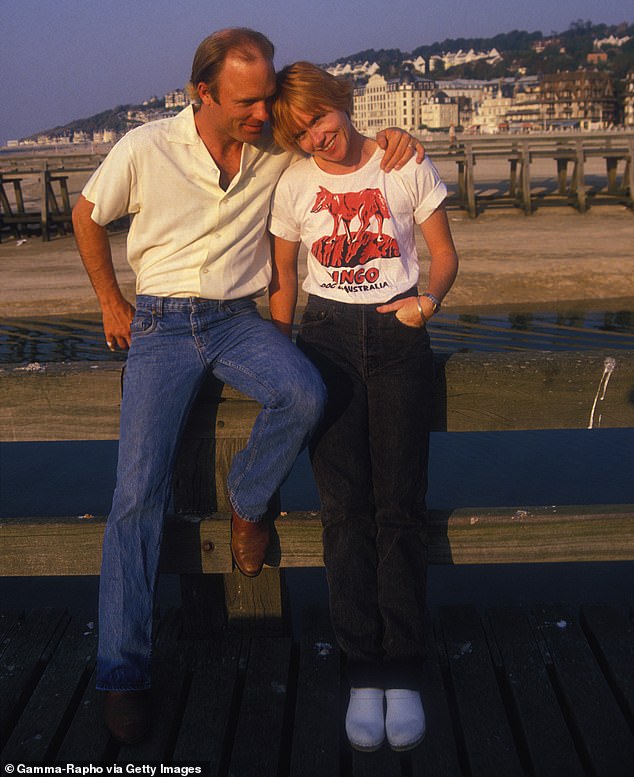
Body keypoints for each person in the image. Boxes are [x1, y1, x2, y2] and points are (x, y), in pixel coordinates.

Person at [72, 29, 423, 745]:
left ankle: (249, 504)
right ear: (201, 92)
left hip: (236, 320)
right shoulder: (144, 146)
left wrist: (392, 134)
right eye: (246, 101)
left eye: (266, 98)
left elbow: (337, 143)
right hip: (162, 325)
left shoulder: (273, 149)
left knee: (304, 392)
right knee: (137, 495)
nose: (262, 113)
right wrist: (111, 301)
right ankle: (122, 672)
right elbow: (87, 213)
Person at [268, 62, 458, 752]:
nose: (317, 138)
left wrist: (426, 304)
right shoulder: (293, 182)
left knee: (400, 504)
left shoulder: (402, 162)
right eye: (300, 132)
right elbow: (284, 275)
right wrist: (284, 353)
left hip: (398, 333)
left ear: (340, 104)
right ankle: (361, 668)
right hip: (324, 339)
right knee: (344, 509)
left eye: (319, 119)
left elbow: (443, 254)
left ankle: (403, 668)